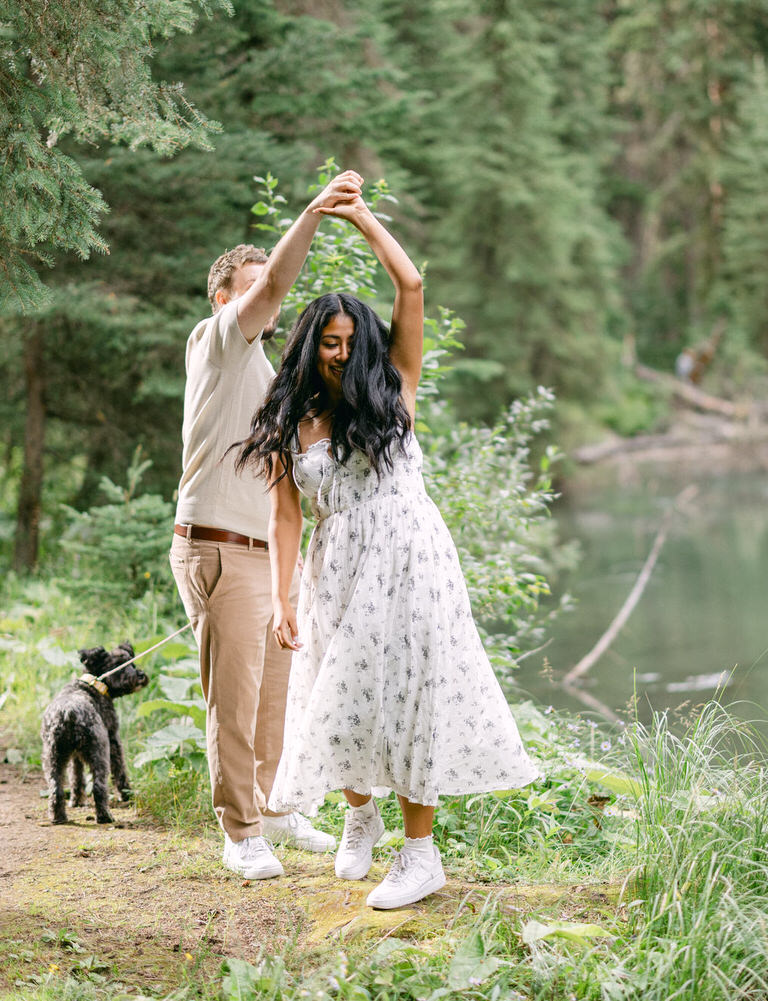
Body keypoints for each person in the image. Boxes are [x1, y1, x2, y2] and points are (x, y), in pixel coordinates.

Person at [232, 192, 539, 909]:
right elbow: (284, 515)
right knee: (333, 696)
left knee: (413, 697)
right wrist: (281, 596)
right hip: (336, 565)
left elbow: (411, 285)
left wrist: (361, 217)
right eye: (328, 344)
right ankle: (359, 813)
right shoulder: (293, 417)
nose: (339, 354)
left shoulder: (394, 388)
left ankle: (421, 854)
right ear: (311, 347)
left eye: (348, 342)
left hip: (412, 557)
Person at [169, 170, 364, 881]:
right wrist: (315, 211)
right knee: (238, 697)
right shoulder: (215, 342)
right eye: (250, 289)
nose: (264, 300)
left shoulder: (271, 377)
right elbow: (277, 288)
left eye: (261, 290)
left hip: (267, 557)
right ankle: (241, 830)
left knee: (279, 686)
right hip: (217, 548)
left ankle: (277, 809)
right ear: (226, 299)